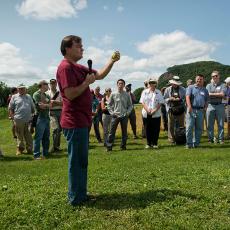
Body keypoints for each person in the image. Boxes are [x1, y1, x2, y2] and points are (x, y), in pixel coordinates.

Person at [56, 35, 120, 206]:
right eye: (78, 46)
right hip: (73, 121)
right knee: (76, 161)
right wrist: (86, 83)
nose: (82, 48)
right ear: (67, 48)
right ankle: (76, 198)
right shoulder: (65, 68)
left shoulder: (78, 67)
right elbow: (69, 94)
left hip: (82, 121)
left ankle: (80, 194)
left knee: (82, 160)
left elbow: (99, 75)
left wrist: (112, 61)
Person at [106, 79, 133, 151]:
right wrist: (112, 113)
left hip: (124, 116)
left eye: (122, 84)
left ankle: (123, 146)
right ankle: (109, 147)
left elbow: (130, 105)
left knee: (124, 132)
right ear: (117, 85)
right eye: (119, 84)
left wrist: (127, 113)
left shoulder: (127, 95)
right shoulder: (113, 94)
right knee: (111, 132)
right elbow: (108, 105)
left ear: (124, 85)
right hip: (115, 116)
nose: (120, 85)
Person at [8, 85, 35, 155]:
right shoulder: (14, 97)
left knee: (29, 136)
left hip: (28, 120)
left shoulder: (29, 96)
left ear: (25, 89)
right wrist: (13, 118)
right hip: (18, 119)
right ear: (18, 89)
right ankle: (20, 149)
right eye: (20, 89)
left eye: (23, 89)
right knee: (19, 135)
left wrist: (33, 116)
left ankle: (29, 149)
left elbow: (32, 107)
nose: (21, 90)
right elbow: (11, 108)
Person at [185, 74, 209, 148]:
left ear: (203, 80)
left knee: (199, 128)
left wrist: (205, 107)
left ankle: (196, 143)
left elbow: (207, 99)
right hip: (191, 109)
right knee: (189, 127)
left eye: (201, 79)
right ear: (195, 79)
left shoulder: (205, 90)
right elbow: (187, 97)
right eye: (198, 79)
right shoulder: (191, 87)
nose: (199, 80)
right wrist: (189, 107)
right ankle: (189, 144)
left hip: (200, 110)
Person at [140, 78, 164, 149]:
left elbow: (160, 102)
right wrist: (147, 110)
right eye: (150, 83)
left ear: (155, 84)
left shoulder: (158, 92)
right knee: (147, 128)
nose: (152, 84)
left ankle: (155, 143)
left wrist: (155, 110)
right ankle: (148, 143)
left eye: (153, 83)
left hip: (156, 113)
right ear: (148, 84)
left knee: (156, 129)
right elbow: (142, 102)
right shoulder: (144, 92)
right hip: (146, 113)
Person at [164, 76, 186, 144]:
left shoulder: (183, 89)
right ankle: (171, 140)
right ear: (172, 83)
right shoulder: (167, 89)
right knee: (170, 126)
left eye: (177, 83)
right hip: (171, 109)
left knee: (181, 125)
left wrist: (180, 99)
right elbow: (164, 99)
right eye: (174, 83)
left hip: (180, 109)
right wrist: (170, 99)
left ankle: (180, 139)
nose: (175, 84)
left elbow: (186, 98)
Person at [206, 71, 226, 144]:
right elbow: (207, 94)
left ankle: (221, 139)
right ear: (211, 77)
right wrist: (218, 94)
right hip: (210, 106)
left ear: (219, 76)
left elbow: (222, 94)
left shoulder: (223, 85)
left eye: (216, 76)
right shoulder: (208, 85)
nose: (214, 77)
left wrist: (212, 94)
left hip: (220, 105)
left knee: (221, 124)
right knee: (210, 124)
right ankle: (210, 139)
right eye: (213, 76)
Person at [33, 80, 51, 160]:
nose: (48, 86)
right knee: (38, 137)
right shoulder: (36, 94)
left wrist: (45, 105)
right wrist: (47, 105)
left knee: (46, 137)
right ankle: (36, 155)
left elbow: (50, 105)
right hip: (40, 117)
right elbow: (41, 106)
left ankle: (45, 153)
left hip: (47, 117)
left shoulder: (46, 95)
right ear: (42, 85)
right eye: (47, 84)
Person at [48, 79, 63, 152]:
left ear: (56, 84)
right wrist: (55, 103)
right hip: (52, 112)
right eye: (51, 83)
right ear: (49, 84)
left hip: (60, 112)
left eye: (54, 83)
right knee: (55, 128)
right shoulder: (47, 93)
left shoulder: (60, 93)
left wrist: (54, 102)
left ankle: (57, 146)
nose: (52, 85)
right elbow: (48, 104)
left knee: (59, 130)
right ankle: (54, 146)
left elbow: (63, 103)